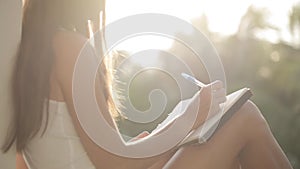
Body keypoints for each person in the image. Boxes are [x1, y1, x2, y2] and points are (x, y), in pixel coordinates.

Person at [1, 0, 293, 168]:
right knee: (244, 118)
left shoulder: (29, 53)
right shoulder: (70, 48)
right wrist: (192, 117)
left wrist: (167, 132)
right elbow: (116, 164)